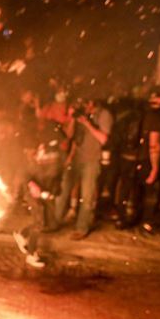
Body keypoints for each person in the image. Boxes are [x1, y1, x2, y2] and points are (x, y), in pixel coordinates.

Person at [55, 97, 112, 239]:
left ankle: (82, 228)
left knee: (87, 195)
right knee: (62, 190)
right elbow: (71, 137)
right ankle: (54, 221)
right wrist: (73, 119)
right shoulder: (81, 114)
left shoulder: (104, 115)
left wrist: (87, 123)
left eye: (85, 103)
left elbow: (103, 139)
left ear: (93, 102)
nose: (83, 106)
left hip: (92, 161)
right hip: (76, 159)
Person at [14, 119, 65, 268]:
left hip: (47, 191)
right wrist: (32, 186)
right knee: (39, 223)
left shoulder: (57, 154)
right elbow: (25, 173)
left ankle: (22, 234)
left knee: (47, 223)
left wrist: (54, 190)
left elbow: (58, 174)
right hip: (33, 192)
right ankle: (31, 254)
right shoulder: (37, 152)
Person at [115, 87, 160, 231]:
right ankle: (146, 222)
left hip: (126, 156)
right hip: (143, 158)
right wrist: (155, 167)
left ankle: (122, 219)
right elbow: (154, 145)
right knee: (149, 189)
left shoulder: (133, 112)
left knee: (125, 188)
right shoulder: (156, 117)